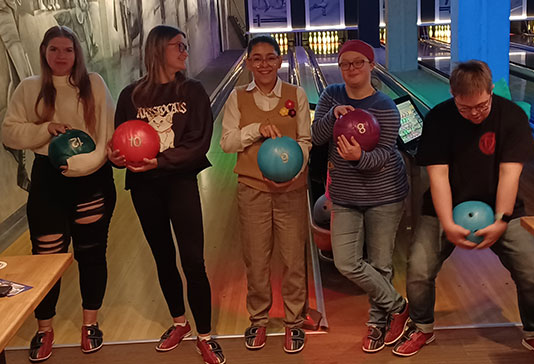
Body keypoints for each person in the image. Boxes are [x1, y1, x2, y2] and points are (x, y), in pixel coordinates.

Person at [396, 60, 534, 364]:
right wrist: (448, 223)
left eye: (481, 106)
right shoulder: (439, 118)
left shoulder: (511, 116)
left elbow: (509, 176)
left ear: (491, 92)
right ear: (452, 95)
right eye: (465, 108)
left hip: (499, 208)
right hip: (444, 210)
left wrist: (502, 220)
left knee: (531, 270)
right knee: (419, 269)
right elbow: (437, 177)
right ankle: (422, 327)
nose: (474, 113)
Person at [109, 25, 224, 364]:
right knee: (162, 257)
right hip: (144, 188)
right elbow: (121, 142)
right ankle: (179, 322)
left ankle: (205, 334)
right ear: (158, 49)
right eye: (179, 45)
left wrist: (159, 160)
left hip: (180, 184)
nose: (186, 51)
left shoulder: (193, 90)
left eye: (186, 45)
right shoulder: (130, 95)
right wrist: (116, 158)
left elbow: (199, 143)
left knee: (193, 260)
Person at [2, 25, 116, 362]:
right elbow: (10, 132)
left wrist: (88, 165)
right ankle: (44, 328)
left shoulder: (93, 83)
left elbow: (106, 132)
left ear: (77, 53)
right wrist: (44, 130)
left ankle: (90, 324)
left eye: (67, 50)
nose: (61, 56)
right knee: (47, 257)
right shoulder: (28, 88)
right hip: (48, 180)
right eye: (54, 50)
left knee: (91, 253)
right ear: (44, 51)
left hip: (92, 178)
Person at [311, 39, 410, 353]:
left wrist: (358, 158)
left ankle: (376, 325)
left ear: (371, 65)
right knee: (346, 262)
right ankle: (400, 306)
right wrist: (333, 117)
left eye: (358, 62)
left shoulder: (385, 106)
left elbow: (384, 154)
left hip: (385, 194)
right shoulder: (331, 95)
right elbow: (316, 137)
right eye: (344, 64)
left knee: (380, 264)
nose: (351, 69)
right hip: (345, 195)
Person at [220, 35, 311, 353]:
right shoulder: (236, 97)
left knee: (292, 259)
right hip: (252, 189)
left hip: (291, 190)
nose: (264, 64)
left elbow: (305, 139)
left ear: (280, 61)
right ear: (247, 63)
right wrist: (255, 129)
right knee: (256, 260)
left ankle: (294, 322)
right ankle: (258, 320)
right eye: (257, 58)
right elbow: (227, 142)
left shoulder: (295, 94)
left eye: (270, 57)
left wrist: (292, 170)